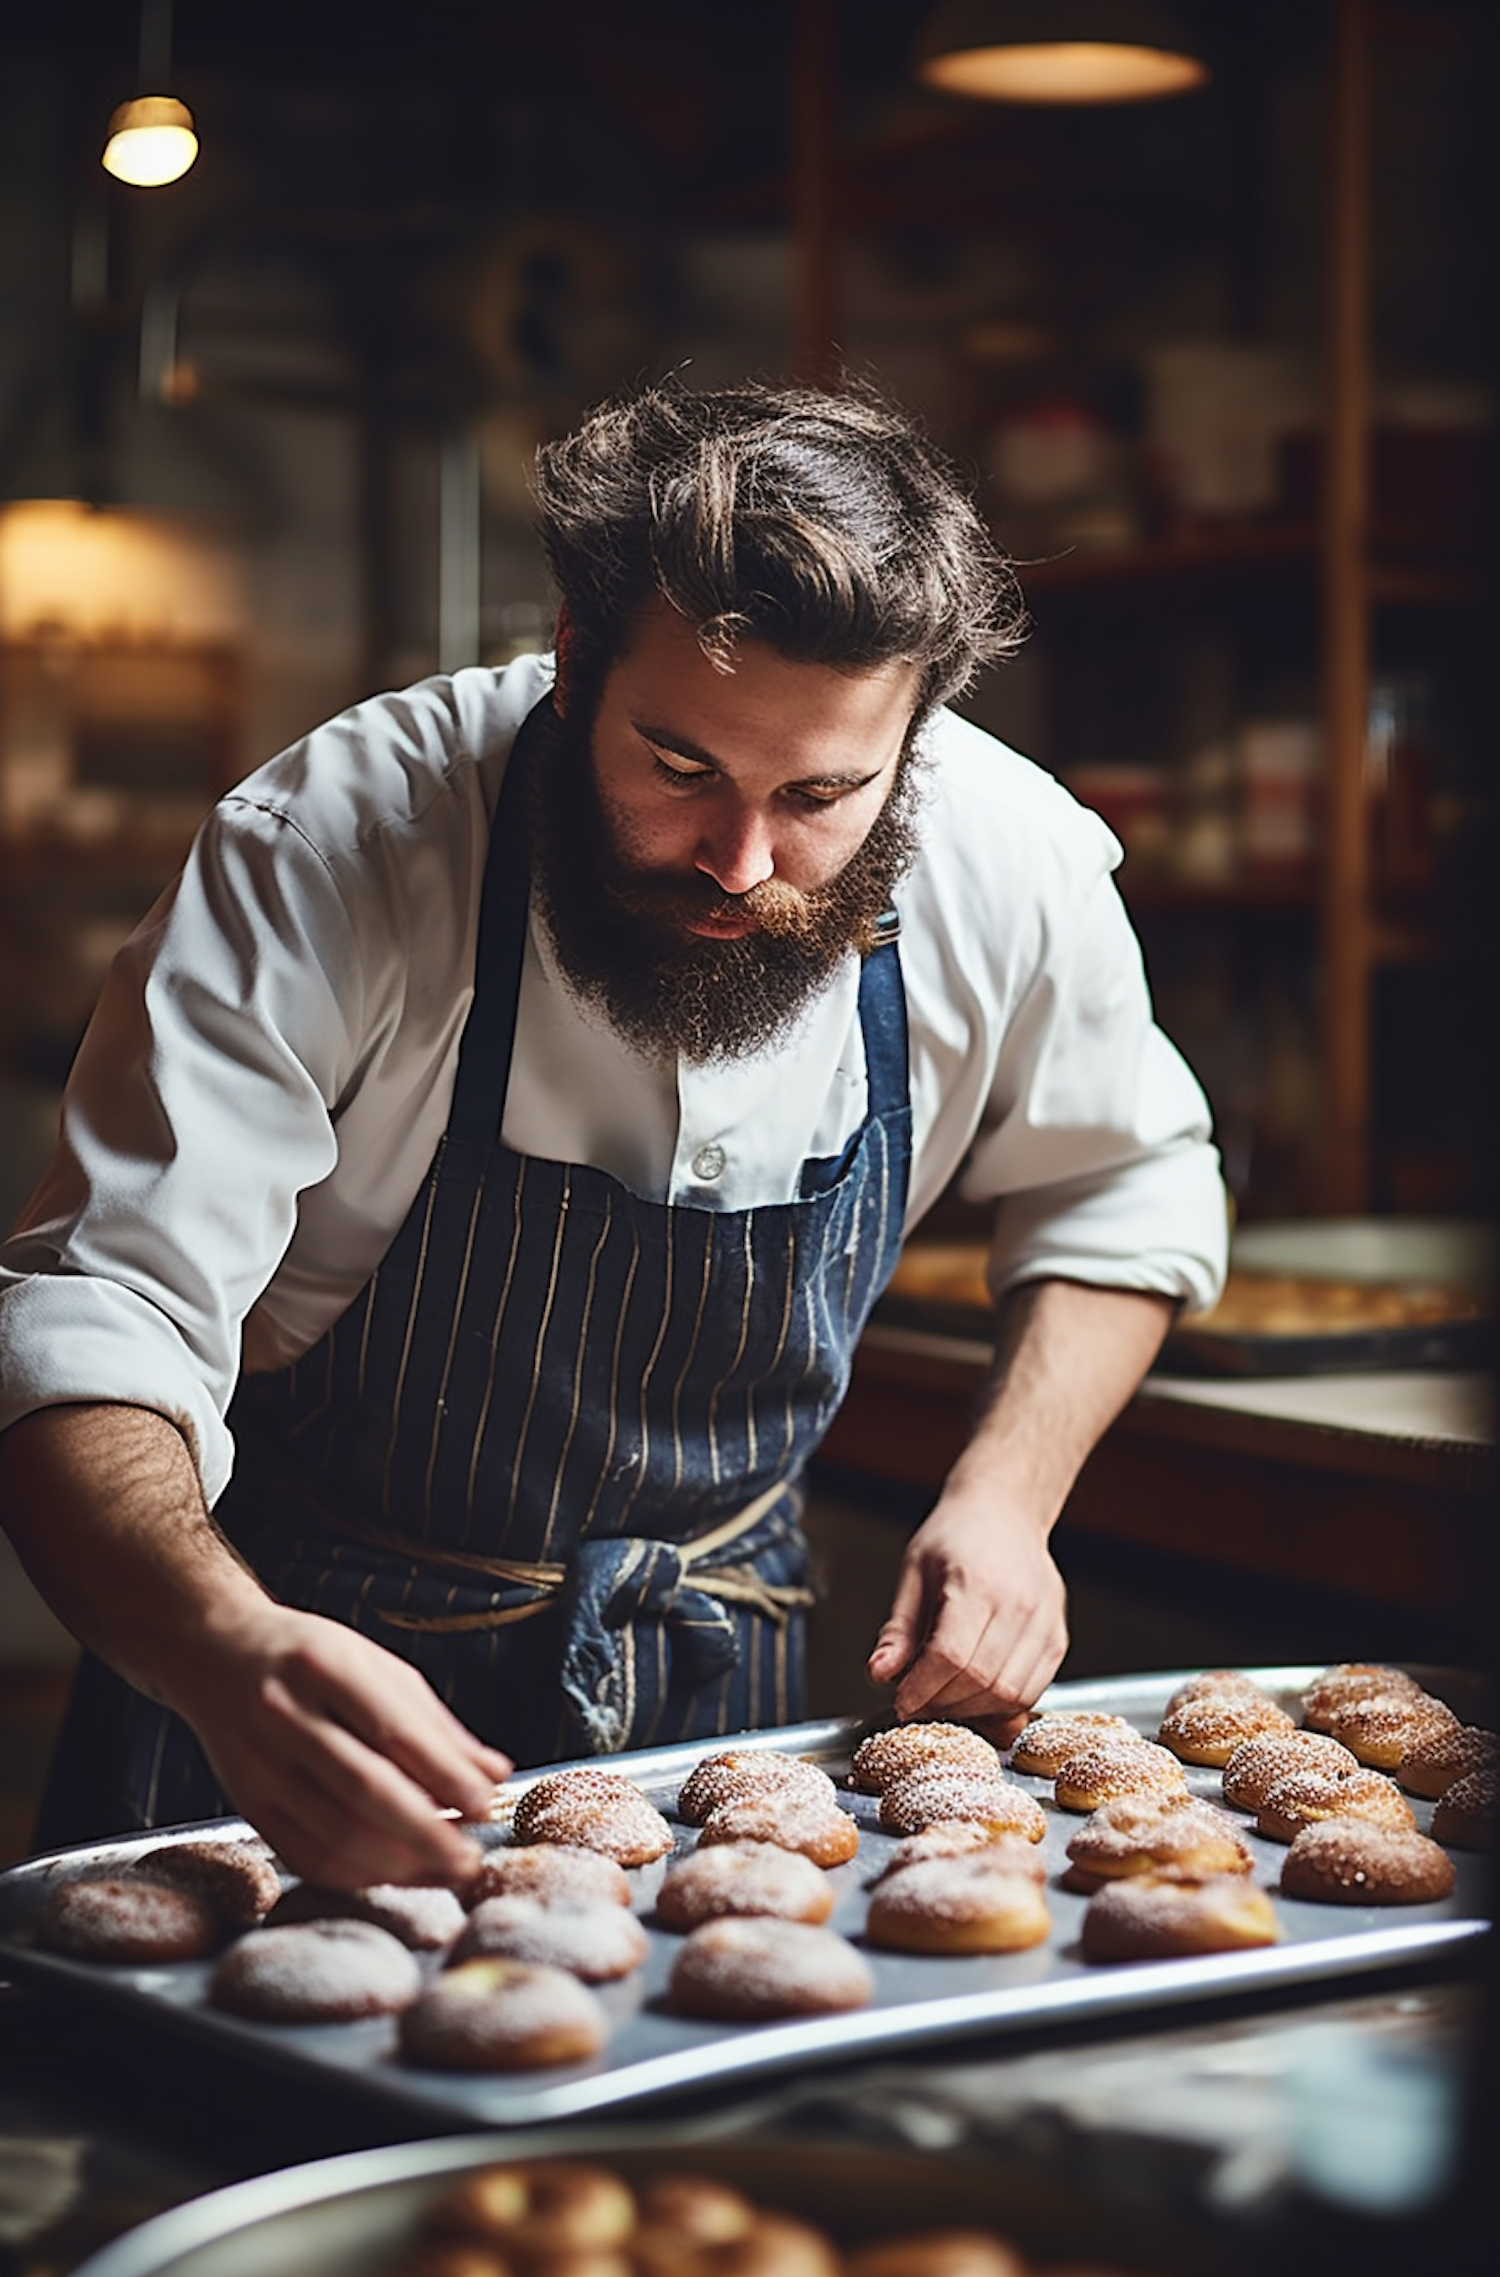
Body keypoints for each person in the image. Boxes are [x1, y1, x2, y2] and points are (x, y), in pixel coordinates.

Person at [0, 378, 1227, 1890]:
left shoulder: (1008, 859)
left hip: (717, 1709)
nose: (744, 859)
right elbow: (99, 1315)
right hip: (288, 1684)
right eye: (681, 767)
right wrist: (217, 1643)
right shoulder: (337, 849)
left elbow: (1126, 1180)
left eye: (826, 792)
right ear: (577, 664)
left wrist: (1006, 1497)